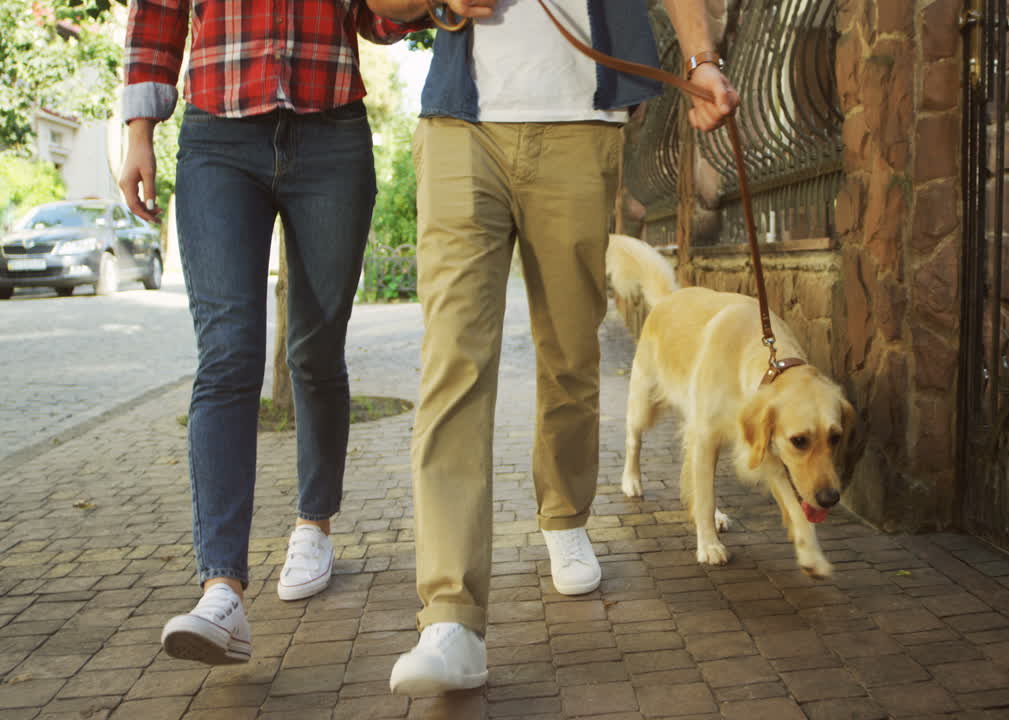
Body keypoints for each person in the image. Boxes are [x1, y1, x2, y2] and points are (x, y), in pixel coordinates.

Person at [364, 0, 740, 695]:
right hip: (460, 126)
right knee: (453, 362)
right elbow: (379, 9)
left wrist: (702, 62)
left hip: (580, 121)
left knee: (570, 352)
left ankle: (564, 513)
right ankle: (451, 618)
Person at [118, 0, 422, 664]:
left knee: (316, 349)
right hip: (218, 137)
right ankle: (221, 590)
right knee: (228, 355)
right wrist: (138, 131)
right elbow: (159, 13)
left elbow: (382, 18)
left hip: (331, 133)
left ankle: (314, 524)